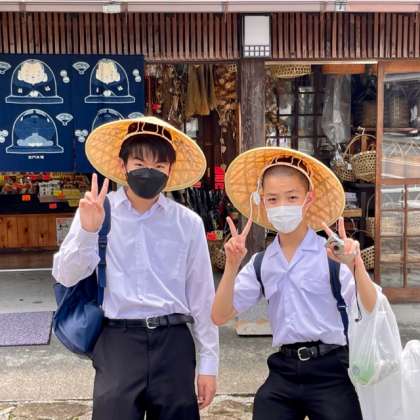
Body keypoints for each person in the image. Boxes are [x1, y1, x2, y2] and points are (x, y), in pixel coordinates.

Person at [53, 117, 219, 420]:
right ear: (122, 165)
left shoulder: (188, 223)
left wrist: (209, 363)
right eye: (140, 163)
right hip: (118, 340)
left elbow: (202, 296)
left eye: (159, 165)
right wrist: (88, 231)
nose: (149, 171)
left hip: (173, 342)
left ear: (170, 170)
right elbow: (65, 275)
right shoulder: (98, 211)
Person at [212, 147, 377, 420]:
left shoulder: (332, 255)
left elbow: (370, 307)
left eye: (291, 197)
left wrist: (355, 264)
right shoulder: (262, 263)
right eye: (273, 199)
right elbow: (219, 315)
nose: (282, 206)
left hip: (331, 371)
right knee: (265, 406)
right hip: (284, 371)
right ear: (263, 202)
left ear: (308, 198)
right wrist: (231, 266)